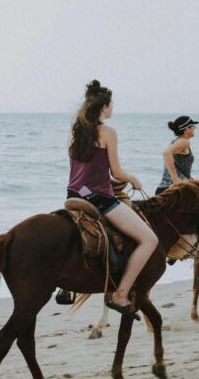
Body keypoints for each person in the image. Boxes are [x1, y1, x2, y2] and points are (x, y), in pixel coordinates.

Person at [67, 80, 159, 313]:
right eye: (111, 105)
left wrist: (112, 181)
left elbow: (84, 171)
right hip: (98, 199)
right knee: (150, 240)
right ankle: (120, 295)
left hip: (73, 194)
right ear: (103, 107)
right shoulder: (108, 132)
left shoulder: (74, 132)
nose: (113, 109)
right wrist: (132, 179)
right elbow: (116, 172)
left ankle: (66, 287)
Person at [156, 115, 198, 195]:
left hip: (166, 189)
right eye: (193, 126)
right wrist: (175, 179)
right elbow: (166, 153)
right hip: (173, 191)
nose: (194, 128)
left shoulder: (177, 141)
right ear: (187, 129)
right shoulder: (184, 142)